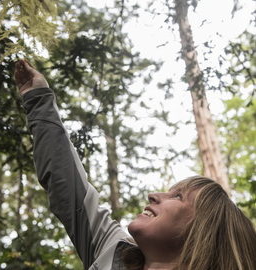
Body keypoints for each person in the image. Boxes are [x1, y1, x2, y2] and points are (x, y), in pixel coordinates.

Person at [14, 59, 256, 270]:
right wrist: (38, 100)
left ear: (205, 232)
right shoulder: (112, 252)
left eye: (178, 197)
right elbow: (68, 188)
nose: (153, 195)